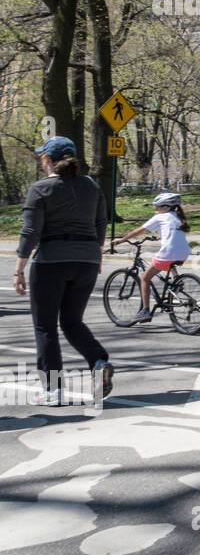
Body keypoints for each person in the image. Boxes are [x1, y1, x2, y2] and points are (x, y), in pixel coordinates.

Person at [13, 136, 112, 405]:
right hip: (87, 261)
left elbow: (31, 231)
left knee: (45, 327)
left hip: (51, 263)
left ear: (47, 160)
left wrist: (19, 269)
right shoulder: (91, 187)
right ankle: (98, 361)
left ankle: (53, 390)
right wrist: (97, 253)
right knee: (72, 321)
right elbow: (101, 222)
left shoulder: (41, 189)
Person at [111, 192, 191, 324]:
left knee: (145, 277)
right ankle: (176, 279)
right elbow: (171, 232)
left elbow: (139, 230)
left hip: (169, 253)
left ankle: (145, 311)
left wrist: (122, 239)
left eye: (158, 207)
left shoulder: (160, 217)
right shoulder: (177, 216)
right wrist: (158, 237)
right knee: (168, 259)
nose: (156, 210)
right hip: (184, 252)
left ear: (166, 207)